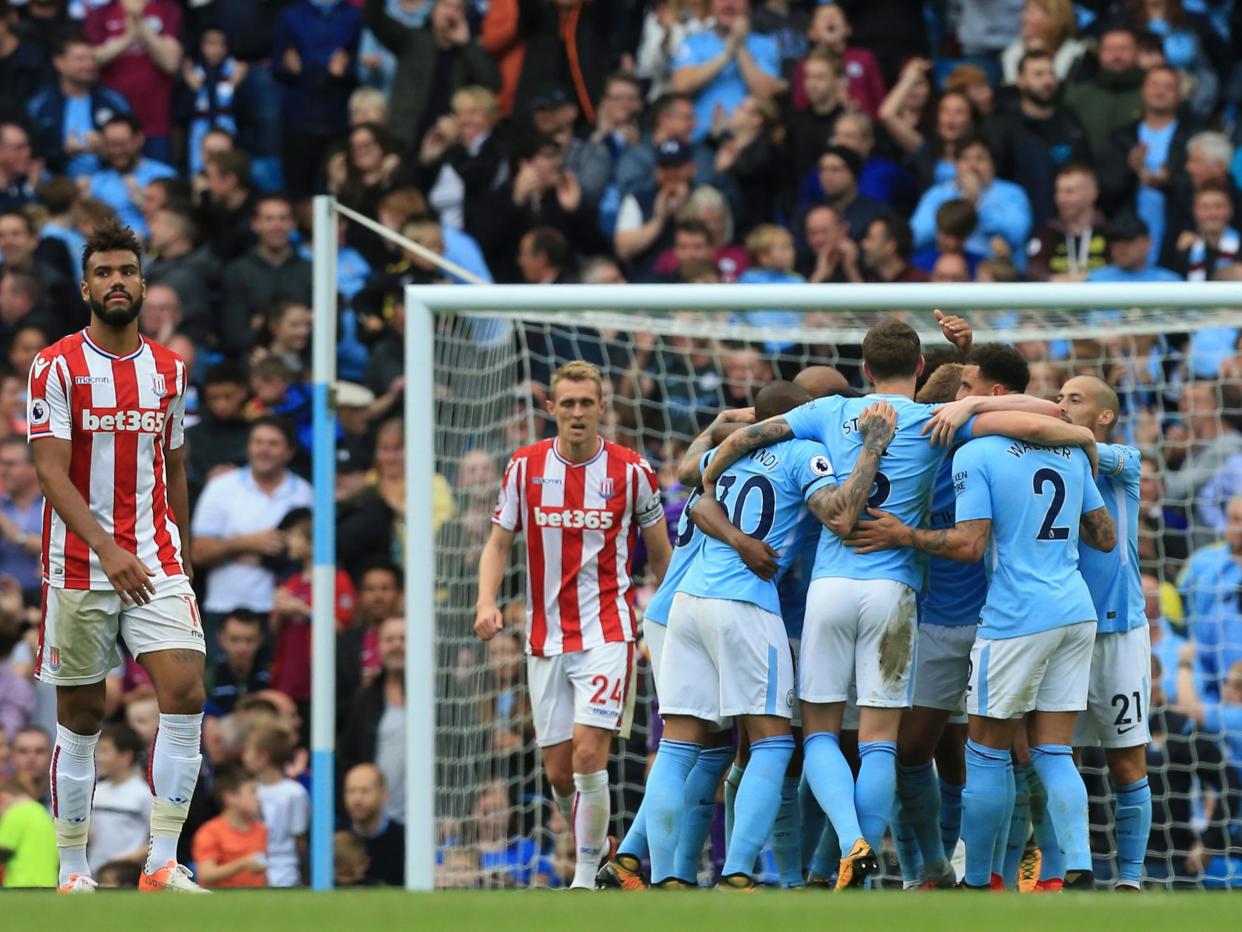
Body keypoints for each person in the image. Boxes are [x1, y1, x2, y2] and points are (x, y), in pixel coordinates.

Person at [704, 317, 1097, 885]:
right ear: (919, 367)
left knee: (816, 732)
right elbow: (1043, 417)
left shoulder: (829, 412)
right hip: (896, 593)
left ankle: (850, 843)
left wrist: (711, 475)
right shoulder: (936, 423)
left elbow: (747, 438)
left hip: (830, 588)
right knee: (880, 742)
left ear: (863, 371)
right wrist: (990, 413)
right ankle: (870, 864)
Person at [655, 383, 895, 891]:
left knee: (678, 748)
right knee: (772, 743)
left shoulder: (730, 449)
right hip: (747, 607)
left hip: (688, 604)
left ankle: (663, 876)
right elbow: (840, 515)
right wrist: (871, 448)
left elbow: (696, 500)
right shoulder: (803, 452)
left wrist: (738, 538)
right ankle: (739, 870)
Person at [26, 218, 206, 893]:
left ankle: (162, 861)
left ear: (143, 280)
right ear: (85, 287)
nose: (116, 282)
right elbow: (50, 472)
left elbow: (177, 466)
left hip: (154, 557)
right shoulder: (56, 366)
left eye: (126, 270)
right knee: (82, 717)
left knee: (185, 690)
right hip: (78, 562)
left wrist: (177, 556)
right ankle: (73, 869)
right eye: (103, 272)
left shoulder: (169, 370)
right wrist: (107, 548)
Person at [475, 360, 672, 890]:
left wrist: (670, 619)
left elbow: (660, 554)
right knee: (561, 773)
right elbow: (498, 544)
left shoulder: (632, 471)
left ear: (603, 407)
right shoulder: (524, 468)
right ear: (551, 408)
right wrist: (486, 602)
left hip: (609, 632)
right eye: (569, 404)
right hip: (545, 640)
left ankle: (585, 876)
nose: (578, 413)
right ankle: (599, 843)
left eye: (588, 403)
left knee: (589, 753)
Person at [847, 344, 1027, 889]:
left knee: (1003, 754)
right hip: (930, 622)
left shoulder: (989, 447)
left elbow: (1049, 415)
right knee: (918, 754)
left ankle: (995, 871)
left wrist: (971, 401)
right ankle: (930, 868)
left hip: (994, 621)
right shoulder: (917, 452)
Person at [1051, 375, 1152, 891]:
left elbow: (1090, 450)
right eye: (1059, 398)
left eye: (1074, 399)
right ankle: (1061, 871)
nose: (1061, 406)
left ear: (1105, 415)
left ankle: (1130, 881)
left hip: (1118, 632)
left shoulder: (1124, 462)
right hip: (1058, 630)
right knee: (1048, 755)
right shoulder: (1047, 459)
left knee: (1126, 759)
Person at [191, 416, 313, 655]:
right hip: (224, 606)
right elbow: (198, 552)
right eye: (258, 442)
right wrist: (248, 543)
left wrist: (258, 553)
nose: (264, 449)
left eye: (273, 443)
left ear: (289, 451)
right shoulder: (222, 488)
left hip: (283, 611)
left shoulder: (305, 494)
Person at [361, 0, 500, 150]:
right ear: (433, 9)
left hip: (447, 142)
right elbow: (375, 19)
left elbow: (493, 83)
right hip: (404, 139)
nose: (450, 12)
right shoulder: (412, 40)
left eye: (458, 8)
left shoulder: (467, 52)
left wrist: (467, 45)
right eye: (445, 5)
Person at [984, 50, 1090, 228]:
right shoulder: (1003, 126)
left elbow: (1085, 170)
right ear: (1021, 80)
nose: (1048, 81)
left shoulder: (1070, 122)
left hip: (1065, 225)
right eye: (1038, 74)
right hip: (1018, 222)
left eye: (1051, 73)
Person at [271, 0, 363, 198]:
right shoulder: (290, 15)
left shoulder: (354, 16)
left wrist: (310, 66)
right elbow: (279, 65)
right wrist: (323, 68)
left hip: (337, 116)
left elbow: (358, 66)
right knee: (297, 193)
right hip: (299, 116)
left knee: (339, 189)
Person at [670, 0, 783, 143]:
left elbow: (765, 92)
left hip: (748, 145)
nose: (728, 3)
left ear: (748, 6)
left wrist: (740, 46)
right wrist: (726, 56)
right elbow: (681, 87)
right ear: (711, 5)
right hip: (700, 141)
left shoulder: (766, 45)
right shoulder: (694, 43)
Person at [84, 0, 183, 163]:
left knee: (157, 180)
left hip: (155, 122)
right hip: (112, 124)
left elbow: (170, 63)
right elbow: (92, 59)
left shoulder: (167, 8)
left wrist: (139, 22)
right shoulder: (102, 11)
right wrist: (127, 38)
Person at [910, 135, 1033, 267]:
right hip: (949, 272)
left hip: (994, 275)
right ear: (955, 165)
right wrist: (953, 211)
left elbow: (1017, 233)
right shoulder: (938, 194)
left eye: (980, 159)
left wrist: (979, 202)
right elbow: (916, 237)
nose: (972, 166)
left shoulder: (1012, 193)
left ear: (993, 164)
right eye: (965, 159)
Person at [26, 32, 132, 178]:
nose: (89, 65)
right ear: (59, 62)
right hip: (57, 184)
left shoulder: (114, 102)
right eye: (80, 59)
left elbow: (134, 148)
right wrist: (64, 152)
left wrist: (106, 151)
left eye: (92, 58)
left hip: (108, 182)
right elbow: (30, 153)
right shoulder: (39, 105)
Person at [220, 195, 313, 357]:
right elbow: (233, 337)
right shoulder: (237, 272)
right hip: (254, 364)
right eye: (269, 219)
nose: (277, 226)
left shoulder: (311, 270)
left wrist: (261, 324)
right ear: (255, 225)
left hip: (306, 365)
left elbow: (333, 331)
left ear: (293, 224)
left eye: (283, 219)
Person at [87, 115, 178, 241]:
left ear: (139, 139)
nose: (117, 151)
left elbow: (176, 222)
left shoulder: (164, 175)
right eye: (110, 145)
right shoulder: (98, 182)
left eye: (122, 144)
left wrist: (145, 203)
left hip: (156, 249)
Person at [1064, 24, 1144, 165]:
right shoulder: (1077, 96)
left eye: (1124, 49)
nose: (1117, 56)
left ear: (1137, 53)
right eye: (1110, 49)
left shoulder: (1149, 95)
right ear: (1100, 54)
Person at [242, 725, 309, 888]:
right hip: (250, 871)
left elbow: (300, 839)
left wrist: (304, 875)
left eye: (248, 750)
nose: (243, 756)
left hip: (286, 873)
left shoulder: (295, 793)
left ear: (262, 757)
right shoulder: (247, 791)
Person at [1025, 164, 1109, 282]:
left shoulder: (1110, 232)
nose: (1061, 198)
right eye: (1058, 192)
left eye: (1069, 192)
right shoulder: (1047, 234)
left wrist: (1089, 278)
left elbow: (1121, 270)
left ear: (1092, 193)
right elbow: (1033, 272)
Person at [190, 764, 268, 889]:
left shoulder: (261, 830)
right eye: (252, 791)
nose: (258, 797)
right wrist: (243, 864)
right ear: (230, 797)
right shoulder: (209, 832)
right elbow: (205, 874)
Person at [86, 723, 149, 874]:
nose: (99, 757)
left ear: (126, 756)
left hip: (127, 876)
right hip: (93, 872)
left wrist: (126, 860)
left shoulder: (143, 794)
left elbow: (158, 840)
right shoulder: (96, 791)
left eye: (105, 751)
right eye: (98, 751)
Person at [342, 762, 403, 886]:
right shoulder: (335, 838)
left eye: (365, 791)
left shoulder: (404, 840)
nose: (357, 799)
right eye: (351, 791)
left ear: (383, 794)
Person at [202, 610, 270, 719]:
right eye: (234, 639)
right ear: (221, 638)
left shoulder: (272, 675)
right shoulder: (208, 677)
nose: (242, 648)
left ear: (260, 639)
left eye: (249, 640)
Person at [0, 436, 43, 601]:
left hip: (45, 598)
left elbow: (65, 549)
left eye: (10, 464)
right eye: (1, 463)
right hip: (6, 601)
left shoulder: (54, 507)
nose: (2, 471)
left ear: (34, 467)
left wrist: (17, 536)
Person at [0, 777, 56, 888]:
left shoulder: (15, 813)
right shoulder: (42, 812)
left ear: (3, 798)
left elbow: (3, 851)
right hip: (49, 886)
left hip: (21, 886)